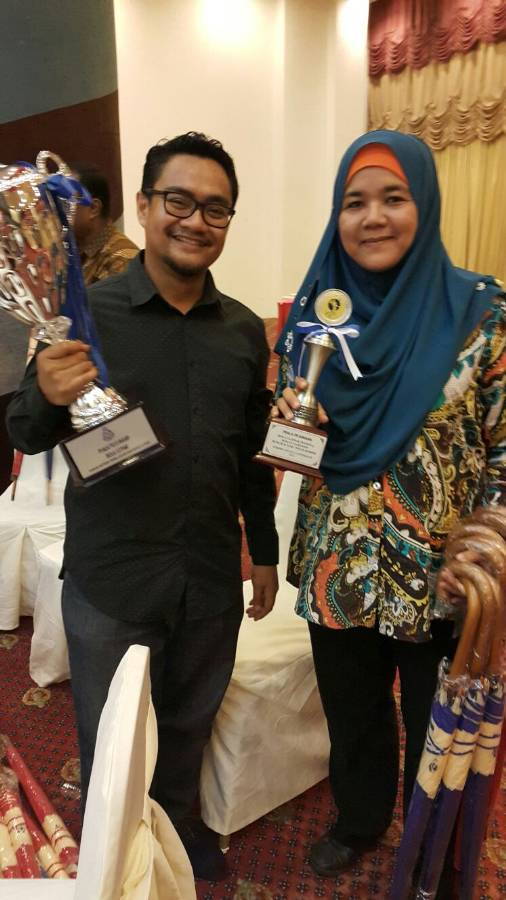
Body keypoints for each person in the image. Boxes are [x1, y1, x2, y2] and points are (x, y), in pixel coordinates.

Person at [7, 132, 279, 881]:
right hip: (114, 579)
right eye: (178, 201)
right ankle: (114, 856)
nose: (196, 221)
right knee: (113, 739)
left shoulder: (242, 331)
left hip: (208, 578)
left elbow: (250, 455)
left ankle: (178, 830)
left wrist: (263, 551)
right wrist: (48, 393)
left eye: (216, 208)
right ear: (146, 205)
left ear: (229, 221)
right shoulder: (83, 313)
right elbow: (26, 430)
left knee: (189, 722)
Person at [273, 130, 505, 882]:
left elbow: (505, 450)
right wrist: (292, 424)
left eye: (393, 198)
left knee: (433, 716)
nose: (372, 217)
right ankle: (361, 819)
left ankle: (430, 837)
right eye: (354, 202)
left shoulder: (482, 315)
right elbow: (289, 436)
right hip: (338, 563)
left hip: (442, 571)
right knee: (353, 711)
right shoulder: (316, 316)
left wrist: (484, 556)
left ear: (424, 205)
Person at [71, 163, 139, 284]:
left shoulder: (122, 260)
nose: (57, 210)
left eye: (66, 203)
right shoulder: (71, 250)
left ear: (93, 209)